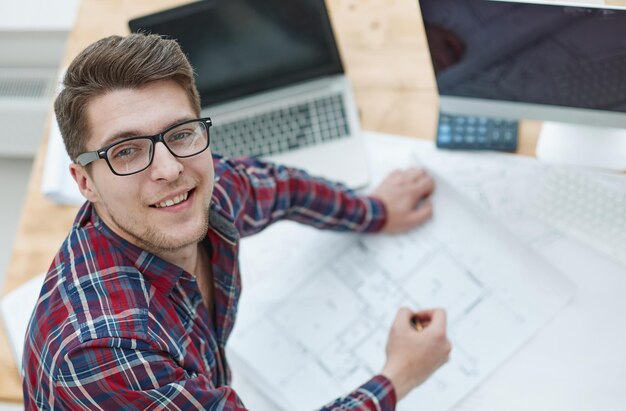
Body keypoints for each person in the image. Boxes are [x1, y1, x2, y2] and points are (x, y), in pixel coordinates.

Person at [22, 33, 450, 410]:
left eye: (180, 133)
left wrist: (373, 212)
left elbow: (281, 189)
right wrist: (400, 374)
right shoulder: (104, 353)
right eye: (127, 151)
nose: (169, 169)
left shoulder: (202, 190)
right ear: (85, 182)